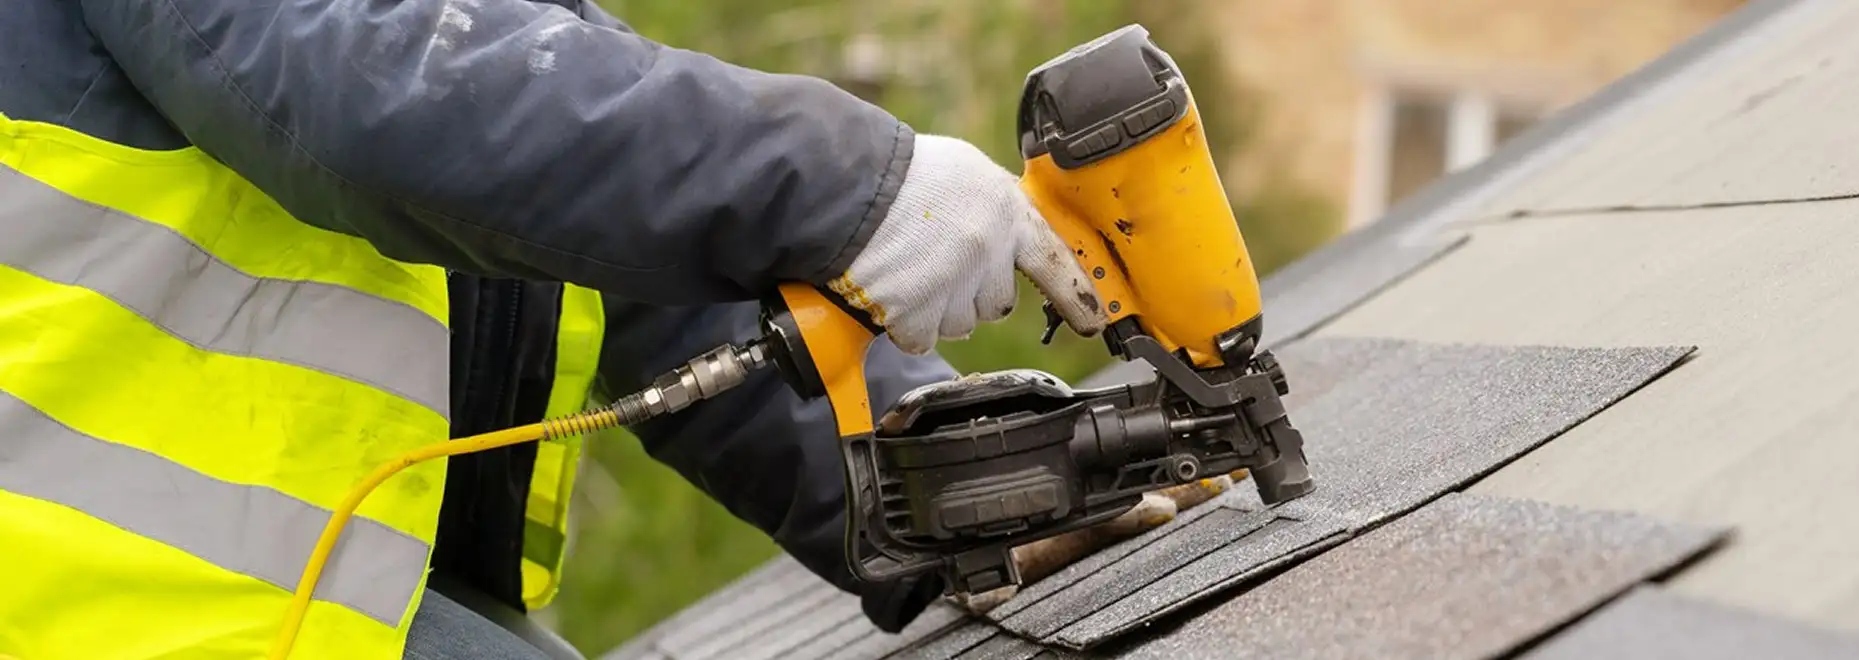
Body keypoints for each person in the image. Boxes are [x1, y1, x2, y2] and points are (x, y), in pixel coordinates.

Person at [0, 2, 1230, 658]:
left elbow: (624, 264)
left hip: (300, 603)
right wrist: (855, 185)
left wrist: (934, 473)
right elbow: (392, 95)